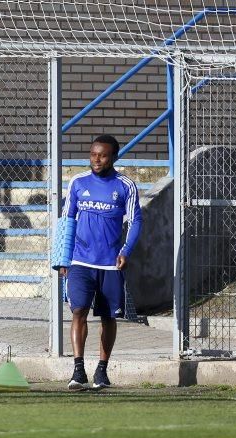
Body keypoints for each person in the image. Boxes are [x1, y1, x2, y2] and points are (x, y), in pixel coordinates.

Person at [58, 135, 142, 391]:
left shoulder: (125, 185)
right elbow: (67, 220)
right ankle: (78, 370)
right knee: (78, 311)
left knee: (108, 317)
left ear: (114, 157)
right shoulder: (78, 182)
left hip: (110, 264)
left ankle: (102, 371)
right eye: (93, 154)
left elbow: (136, 220)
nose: (97, 159)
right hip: (80, 261)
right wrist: (62, 257)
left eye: (103, 155)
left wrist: (126, 250)